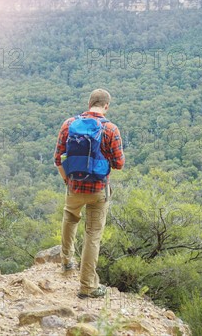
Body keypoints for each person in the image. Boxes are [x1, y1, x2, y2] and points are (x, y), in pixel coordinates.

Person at [54, 88, 125, 298]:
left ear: (89, 103)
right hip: (98, 190)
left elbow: (58, 158)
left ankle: (66, 262)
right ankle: (87, 287)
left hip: (74, 186)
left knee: (70, 217)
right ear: (106, 106)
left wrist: (67, 179)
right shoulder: (111, 129)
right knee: (92, 235)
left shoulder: (69, 124)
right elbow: (119, 164)